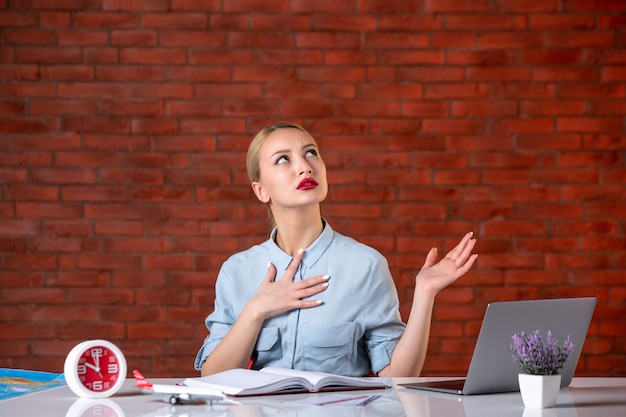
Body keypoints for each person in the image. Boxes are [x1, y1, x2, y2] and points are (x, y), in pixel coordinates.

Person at [194, 122, 477, 377]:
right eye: (283, 159)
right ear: (260, 190)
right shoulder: (236, 271)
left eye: (311, 153)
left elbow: (397, 377)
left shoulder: (365, 265)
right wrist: (256, 309)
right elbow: (213, 376)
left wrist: (424, 294)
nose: (305, 166)